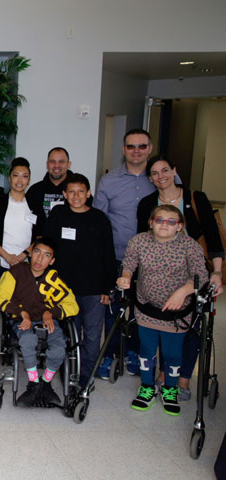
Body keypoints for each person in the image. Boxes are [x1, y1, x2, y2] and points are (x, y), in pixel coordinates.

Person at [137, 155, 224, 400]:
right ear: (150, 178)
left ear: (174, 170)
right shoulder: (147, 204)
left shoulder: (196, 199)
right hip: (158, 275)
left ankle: (183, 378)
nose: (160, 176)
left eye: (165, 170)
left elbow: (213, 236)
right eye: (154, 173)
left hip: (193, 273)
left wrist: (216, 272)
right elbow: (142, 240)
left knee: (189, 328)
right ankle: (164, 374)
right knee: (163, 323)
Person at [119, 205, 208, 416]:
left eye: (171, 221)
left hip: (176, 314)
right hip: (146, 309)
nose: (164, 225)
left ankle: (170, 389)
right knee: (147, 351)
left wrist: (184, 291)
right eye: (159, 220)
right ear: (151, 222)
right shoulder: (139, 240)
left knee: (172, 354)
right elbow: (129, 262)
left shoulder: (189, 245)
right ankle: (147, 387)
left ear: (179, 226)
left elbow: (200, 275)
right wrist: (126, 276)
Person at [93, 128, 161, 378]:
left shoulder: (159, 179)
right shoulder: (109, 181)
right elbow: (99, 221)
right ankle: (108, 354)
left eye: (142, 146)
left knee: (144, 311)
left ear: (149, 149)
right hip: (117, 256)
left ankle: (135, 353)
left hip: (152, 260)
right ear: (123, 150)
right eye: (131, 146)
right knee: (113, 308)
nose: (136, 151)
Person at [43, 173, 116, 388]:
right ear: (64, 194)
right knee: (67, 333)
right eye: (71, 192)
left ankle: (86, 376)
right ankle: (68, 371)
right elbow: (48, 245)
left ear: (89, 193)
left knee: (92, 335)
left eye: (81, 191)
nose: (76, 196)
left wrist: (107, 287)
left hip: (94, 289)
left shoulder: (99, 219)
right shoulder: (58, 214)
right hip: (64, 289)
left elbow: (108, 255)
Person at [0, 238, 79, 406]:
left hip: (47, 321)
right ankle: (33, 383)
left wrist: (51, 312)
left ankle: (46, 383)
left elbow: (73, 306)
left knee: (59, 347)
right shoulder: (14, 273)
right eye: (37, 252)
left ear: (52, 261)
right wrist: (22, 312)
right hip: (21, 320)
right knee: (28, 340)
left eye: (46, 256)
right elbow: (1, 301)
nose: (40, 259)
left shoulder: (54, 280)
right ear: (31, 253)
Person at [0, 157, 40, 273]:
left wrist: (24, 254)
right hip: (0, 263)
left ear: (29, 180)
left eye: (25, 176)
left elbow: (40, 235)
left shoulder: (35, 205)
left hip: (27, 265)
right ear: (10, 178)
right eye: (16, 175)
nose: (20, 180)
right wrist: (6, 256)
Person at [25, 147, 88, 234]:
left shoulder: (80, 192)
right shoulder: (35, 191)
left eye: (61, 162)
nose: (56, 165)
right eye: (52, 161)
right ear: (47, 164)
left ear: (69, 164)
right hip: (42, 244)